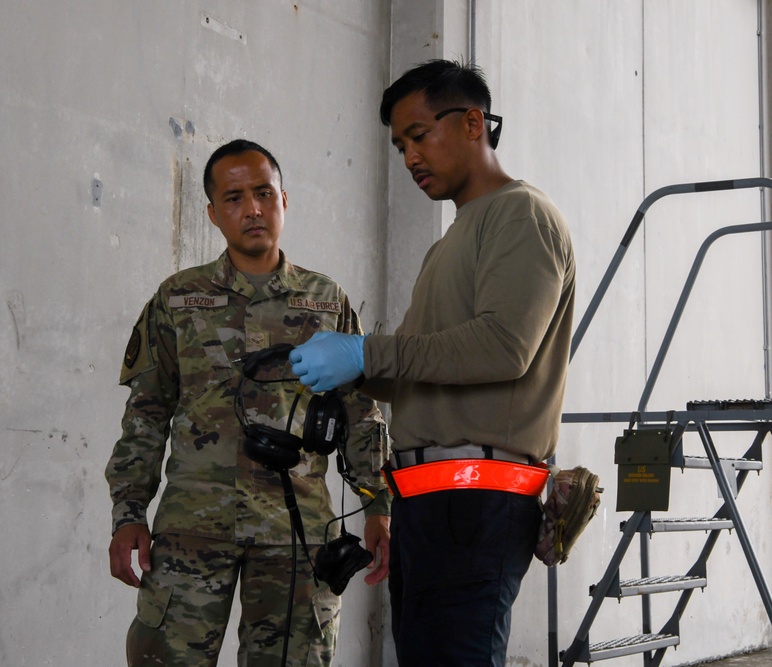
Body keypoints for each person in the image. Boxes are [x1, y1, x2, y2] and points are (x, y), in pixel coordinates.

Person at [288, 60, 576, 665]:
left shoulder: (520, 214)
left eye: (419, 135)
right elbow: (425, 366)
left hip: (478, 501)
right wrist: (355, 368)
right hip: (429, 505)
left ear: (473, 122)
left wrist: (367, 351)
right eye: (399, 146)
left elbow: (503, 347)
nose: (410, 157)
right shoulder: (448, 244)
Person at [105, 139, 391, 666]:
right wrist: (128, 514)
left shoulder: (326, 301)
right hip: (194, 528)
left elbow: (360, 412)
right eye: (234, 198)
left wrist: (378, 505)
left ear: (285, 199)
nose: (253, 209)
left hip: (297, 533)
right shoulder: (178, 299)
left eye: (264, 193)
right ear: (213, 214)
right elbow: (146, 414)